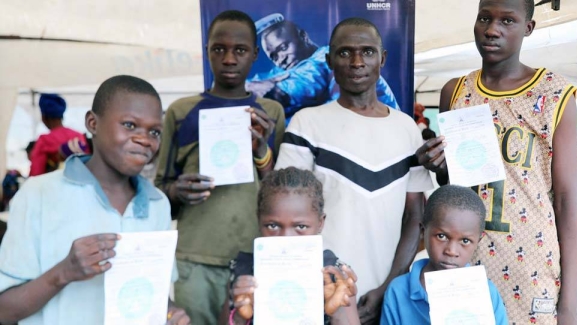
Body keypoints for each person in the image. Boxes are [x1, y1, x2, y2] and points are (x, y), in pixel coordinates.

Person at [416, 0, 577, 323]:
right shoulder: (456, 92)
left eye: (507, 21)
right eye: (484, 18)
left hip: (530, 265)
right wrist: (439, 166)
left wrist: (569, 306)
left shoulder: (554, 95)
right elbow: (453, 186)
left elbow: (567, 201)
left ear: (528, 28)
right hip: (463, 257)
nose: (492, 30)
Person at [275, 18, 433, 324]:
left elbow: (416, 217)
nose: (357, 62)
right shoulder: (307, 123)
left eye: (368, 52)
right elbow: (286, 218)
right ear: (329, 60)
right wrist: (323, 287)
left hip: (387, 297)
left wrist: (388, 286)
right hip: (319, 294)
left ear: (382, 59)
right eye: (345, 53)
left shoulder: (406, 128)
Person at [0, 75, 190, 325]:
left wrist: (170, 313)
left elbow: (153, 293)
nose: (145, 139)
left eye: (154, 131)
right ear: (92, 123)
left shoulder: (157, 203)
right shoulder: (38, 195)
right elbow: (5, 311)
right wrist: (63, 272)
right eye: (130, 125)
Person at [154, 10, 286, 325]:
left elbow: (281, 194)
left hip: (255, 257)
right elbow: (158, 194)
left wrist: (262, 150)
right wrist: (176, 190)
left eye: (239, 50)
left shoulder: (270, 113)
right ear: (207, 51)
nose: (229, 58)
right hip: (195, 259)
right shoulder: (181, 112)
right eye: (219, 49)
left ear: (254, 54)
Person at [219, 167, 360, 325]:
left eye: (300, 227)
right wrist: (239, 317)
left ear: (320, 223)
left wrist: (338, 312)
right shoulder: (243, 275)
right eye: (273, 226)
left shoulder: (336, 277)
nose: (286, 238)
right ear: (259, 220)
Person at [380, 185, 508, 324]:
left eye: (465, 241)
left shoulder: (486, 293)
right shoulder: (398, 291)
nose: (451, 251)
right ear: (423, 231)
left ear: (478, 240)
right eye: (441, 236)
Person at [246, 13, 399, 121]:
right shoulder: (288, 68)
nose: (280, 58)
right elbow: (263, 80)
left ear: (303, 36)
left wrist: (265, 89)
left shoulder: (324, 59)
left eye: (284, 47)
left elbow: (299, 84)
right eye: (273, 56)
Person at [29, 94, 88, 176]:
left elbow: (36, 173)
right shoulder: (78, 136)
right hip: (80, 184)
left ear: (44, 117)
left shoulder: (44, 140)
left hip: (52, 186)